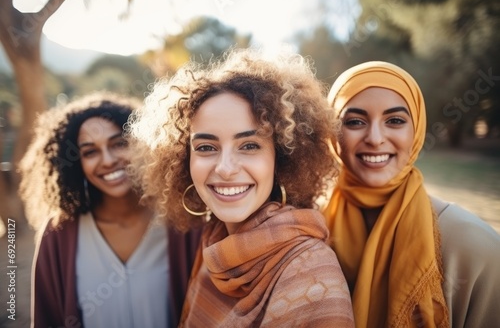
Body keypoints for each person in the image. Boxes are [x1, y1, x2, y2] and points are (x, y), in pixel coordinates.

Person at [127, 48, 355, 327]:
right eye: (206, 147)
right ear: (185, 159)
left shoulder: (312, 275)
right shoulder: (214, 243)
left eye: (249, 146)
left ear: (281, 158)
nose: (225, 168)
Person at [323, 61, 500, 328]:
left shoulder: (474, 248)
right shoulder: (309, 230)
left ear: (415, 130)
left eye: (395, 120)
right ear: (332, 133)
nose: (375, 138)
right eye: (355, 121)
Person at [19, 92, 201, 328]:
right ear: (76, 164)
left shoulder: (183, 221)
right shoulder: (58, 235)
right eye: (90, 152)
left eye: (119, 143)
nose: (107, 160)